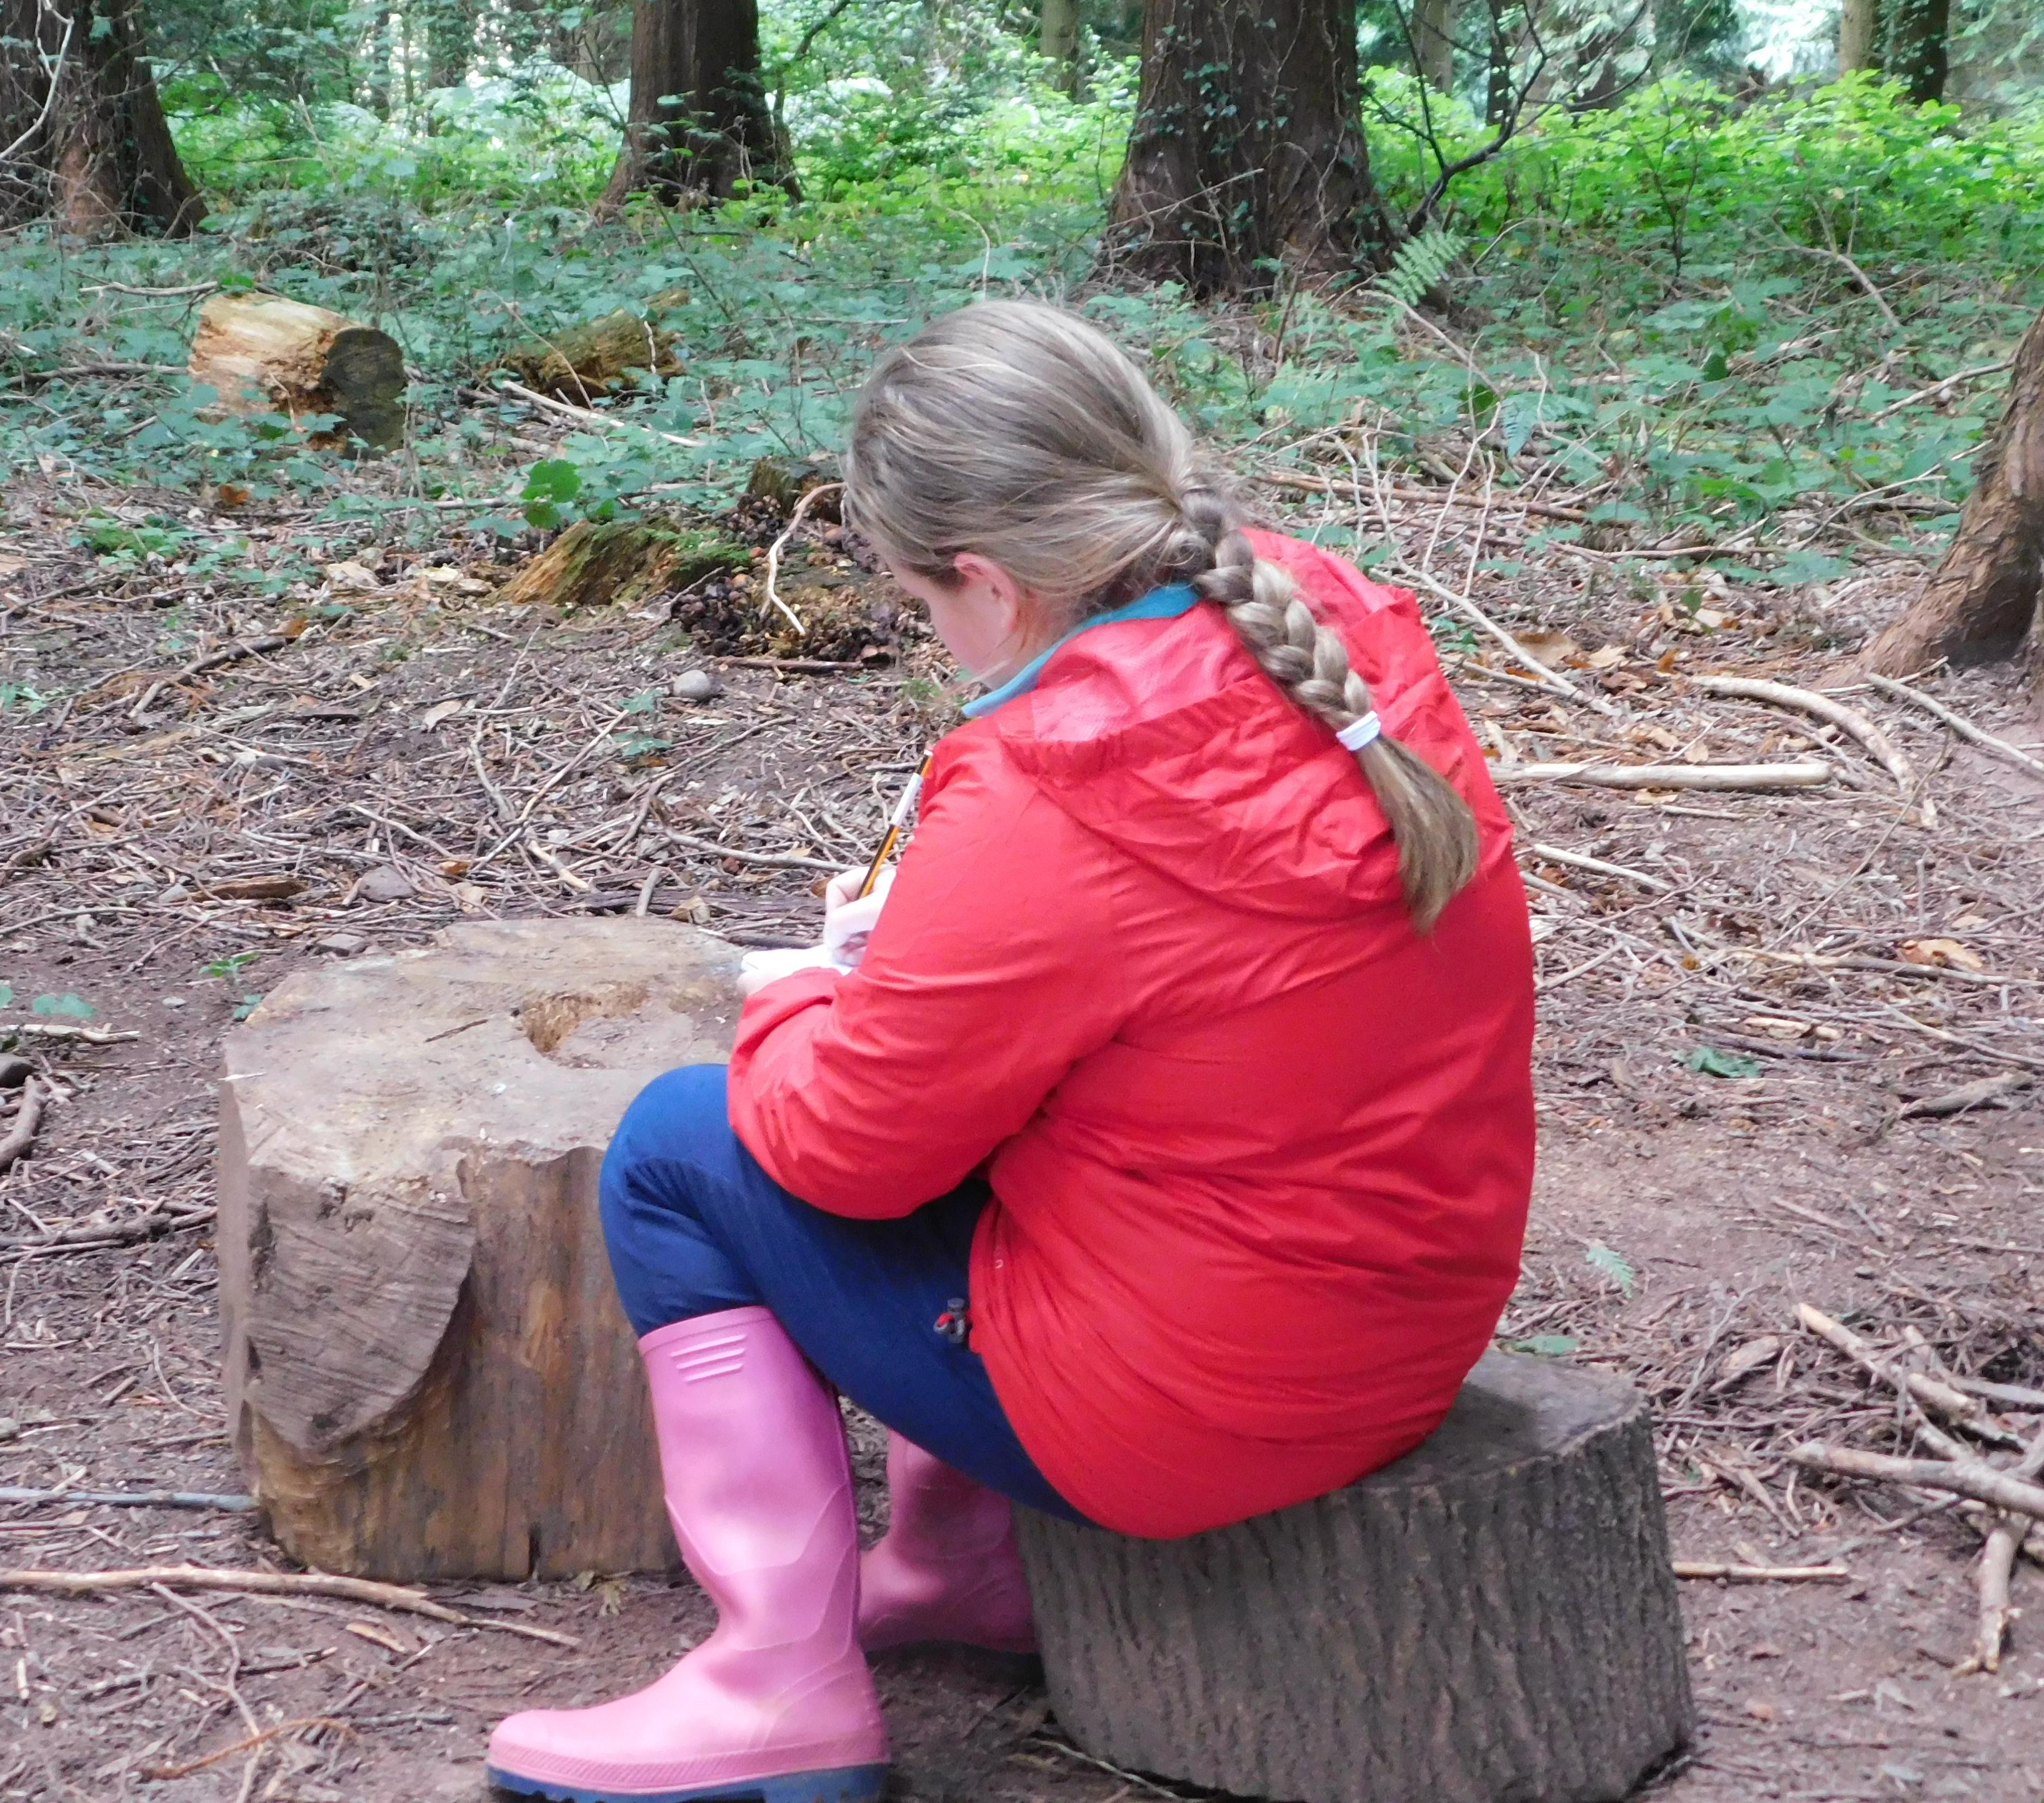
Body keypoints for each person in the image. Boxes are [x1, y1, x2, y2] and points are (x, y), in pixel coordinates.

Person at [484, 301, 1538, 1803]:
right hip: (1405, 1332)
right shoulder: (1325, 624)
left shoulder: (1062, 785)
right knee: (1026, 1103)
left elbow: (846, 1153)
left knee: (675, 1147)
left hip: (1197, 1411)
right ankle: (957, 1561)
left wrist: (807, 995)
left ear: (984, 578)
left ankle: (777, 1684)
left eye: (920, 599)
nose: (929, 632)